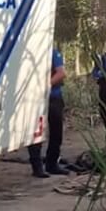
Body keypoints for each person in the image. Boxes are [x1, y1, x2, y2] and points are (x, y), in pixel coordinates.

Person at [28, 48, 67, 178]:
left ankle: (52, 163)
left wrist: (44, 86)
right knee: (36, 132)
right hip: (35, 98)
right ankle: (37, 167)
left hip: (53, 96)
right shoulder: (31, 51)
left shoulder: (53, 53)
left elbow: (61, 73)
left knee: (56, 131)